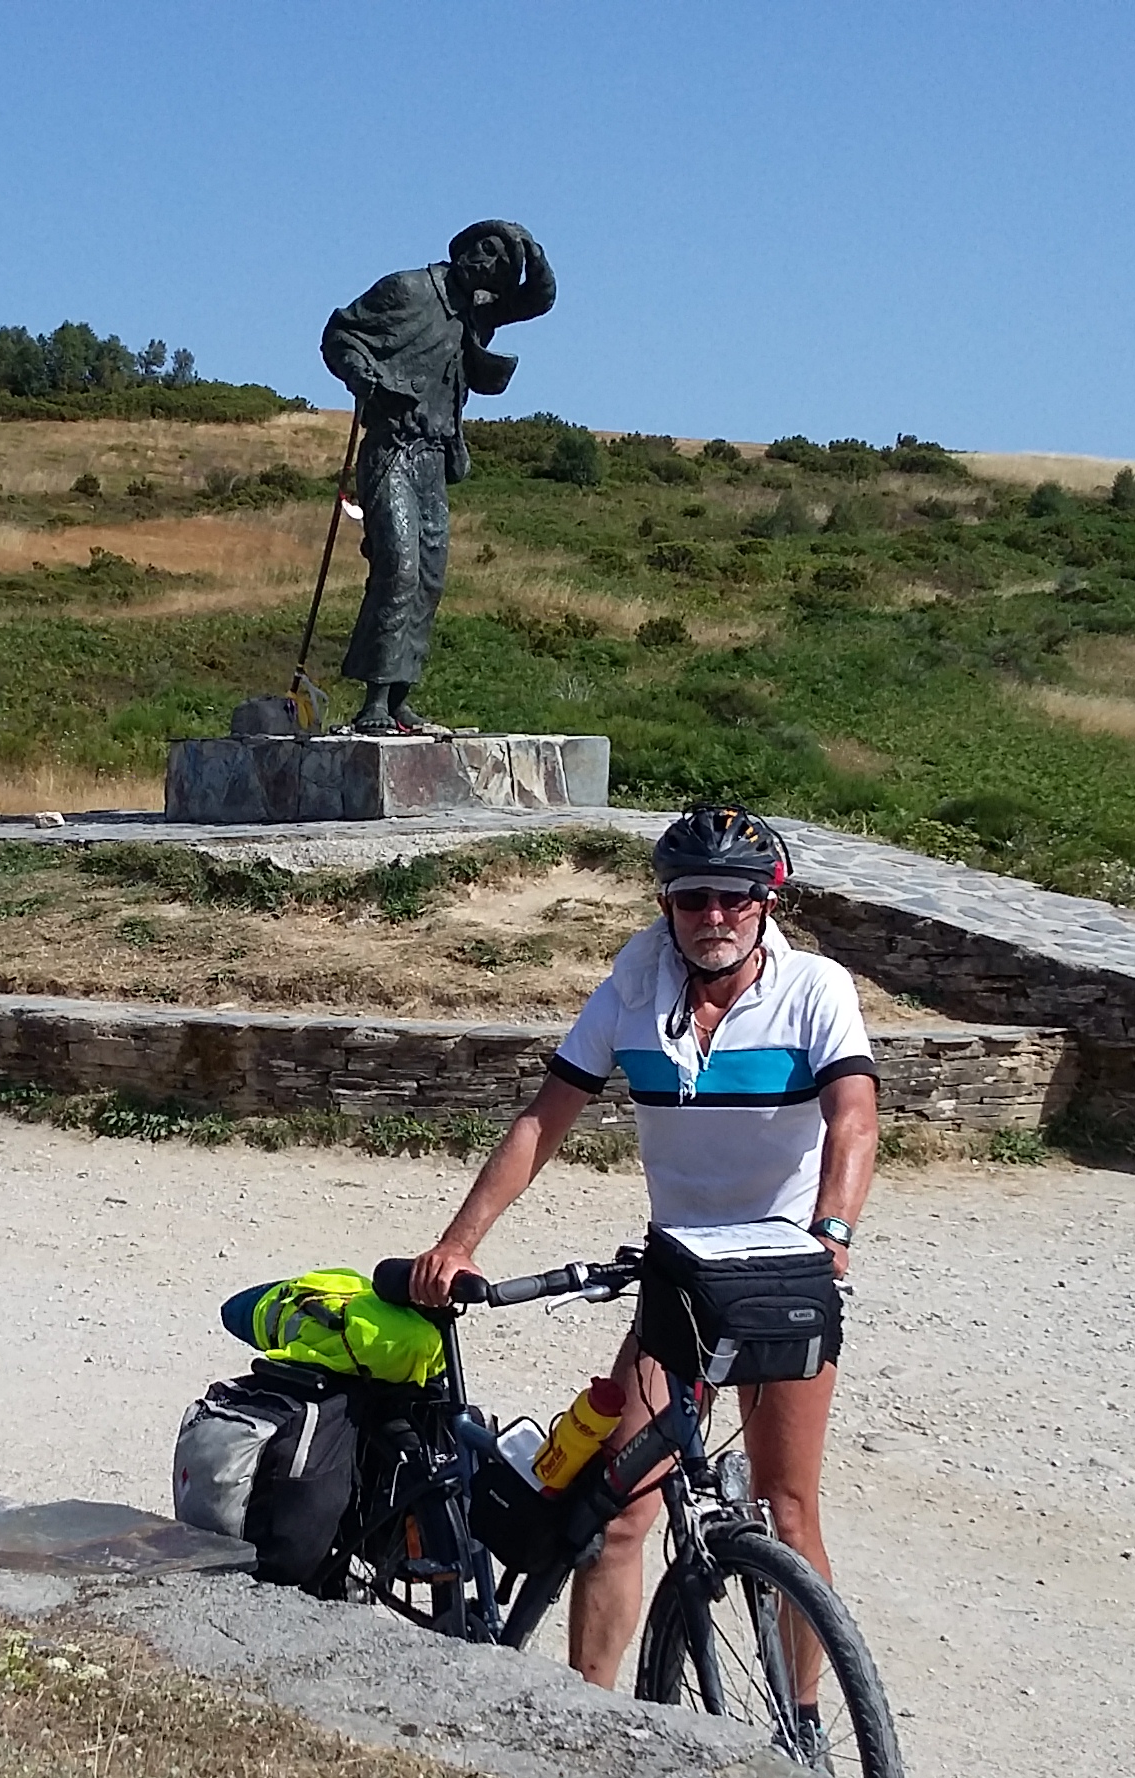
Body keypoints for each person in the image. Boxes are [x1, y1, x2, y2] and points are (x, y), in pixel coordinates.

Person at [405, 805, 876, 1693]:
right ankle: (594, 1720)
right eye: (692, 898)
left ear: (767, 899)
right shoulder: (636, 980)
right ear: (666, 902)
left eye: (735, 897)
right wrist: (457, 1243)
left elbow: (853, 1115)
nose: (714, 916)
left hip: (785, 1273)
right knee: (619, 1509)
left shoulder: (816, 988)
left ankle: (803, 1726)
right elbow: (548, 1116)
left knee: (788, 1512)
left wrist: (833, 1234)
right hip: (679, 1279)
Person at [318, 220, 556, 735]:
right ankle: (374, 702)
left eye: (500, 264)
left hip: (434, 458)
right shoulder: (408, 288)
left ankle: (400, 699)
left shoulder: (478, 310)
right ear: (465, 247)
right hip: (391, 449)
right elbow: (340, 333)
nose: (488, 264)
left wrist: (531, 250)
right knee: (399, 568)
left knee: (429, 578)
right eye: (485, 250)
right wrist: (361, 376)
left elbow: (538, 300)